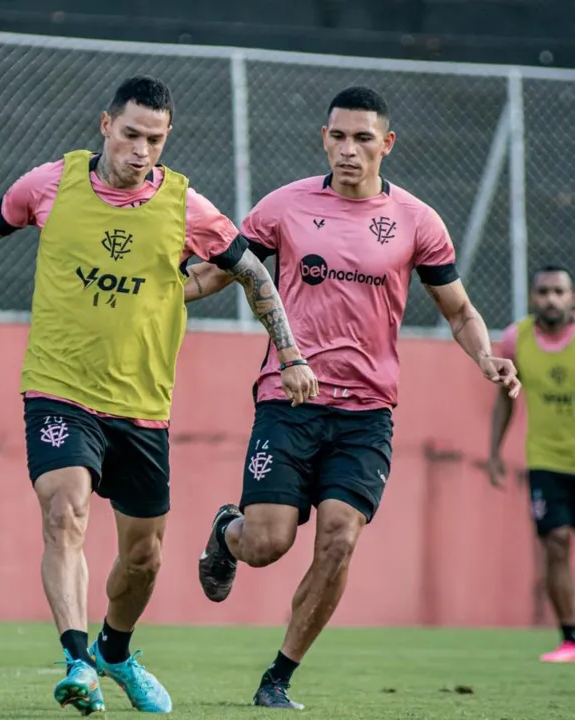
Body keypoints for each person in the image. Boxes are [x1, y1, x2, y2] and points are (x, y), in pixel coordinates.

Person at [0, 75, 317, 714]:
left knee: (143, 557)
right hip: (58, 389)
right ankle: (77, 660)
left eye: (155, 139)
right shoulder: (50, 184)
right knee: (65, 512)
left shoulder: (187, 208)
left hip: (142, 407)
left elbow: (250, 271)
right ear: (105, 124)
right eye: (132, 134)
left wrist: (291, 353)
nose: (141, 150)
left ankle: (115, 649)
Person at [186, 86, 522, 709]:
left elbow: (459, 309)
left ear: (386, 144)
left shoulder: (418, 222)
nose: (349, 149)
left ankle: (278, 678)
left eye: (363, 138)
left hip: (367, 414)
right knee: (267, 544)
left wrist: (486, 356)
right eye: (338, 136)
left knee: (340, 537)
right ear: (324, 139)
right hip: (288, 401)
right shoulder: (284, 207)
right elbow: (219, 273)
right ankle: (227, 532)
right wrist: (150, 292)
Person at [489, 265, 575, 662]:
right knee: (555, 544)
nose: (551, 299)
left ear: (571, 297)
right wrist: (494, 453)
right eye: (544, 292)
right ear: (532, 297)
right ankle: (571, 639)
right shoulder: (515, 339)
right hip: (546, 460)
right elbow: (505, 398)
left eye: (559, 291)